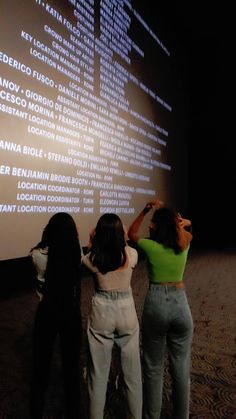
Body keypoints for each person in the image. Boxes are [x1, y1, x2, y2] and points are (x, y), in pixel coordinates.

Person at [128, 201, 193, 419]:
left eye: (153, 223)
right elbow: (186, 229)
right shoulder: (184, 244)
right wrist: (183, 221)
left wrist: (145, 210)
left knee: (153, 367)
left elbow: (131, 232)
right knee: (181, 368)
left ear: (156, 225)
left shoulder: (149, 246)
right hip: (181, 305)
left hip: (156, 304)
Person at [82, 213, 142, 419]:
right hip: (127, 312)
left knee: (97, 376)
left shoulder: (91, 258)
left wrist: (92, 239)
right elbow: (126, 243)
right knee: (132, 376)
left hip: (102, 311)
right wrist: (123, 235)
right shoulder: (131, 254)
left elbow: (89, 252)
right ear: (120, 234)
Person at [29, 212, 82, 419]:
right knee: (71, 369)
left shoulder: (37, 255)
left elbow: (41, 248)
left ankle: (36, 412)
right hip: (70, 311)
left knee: (40, 369)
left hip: (47, 312)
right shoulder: (75, 253)